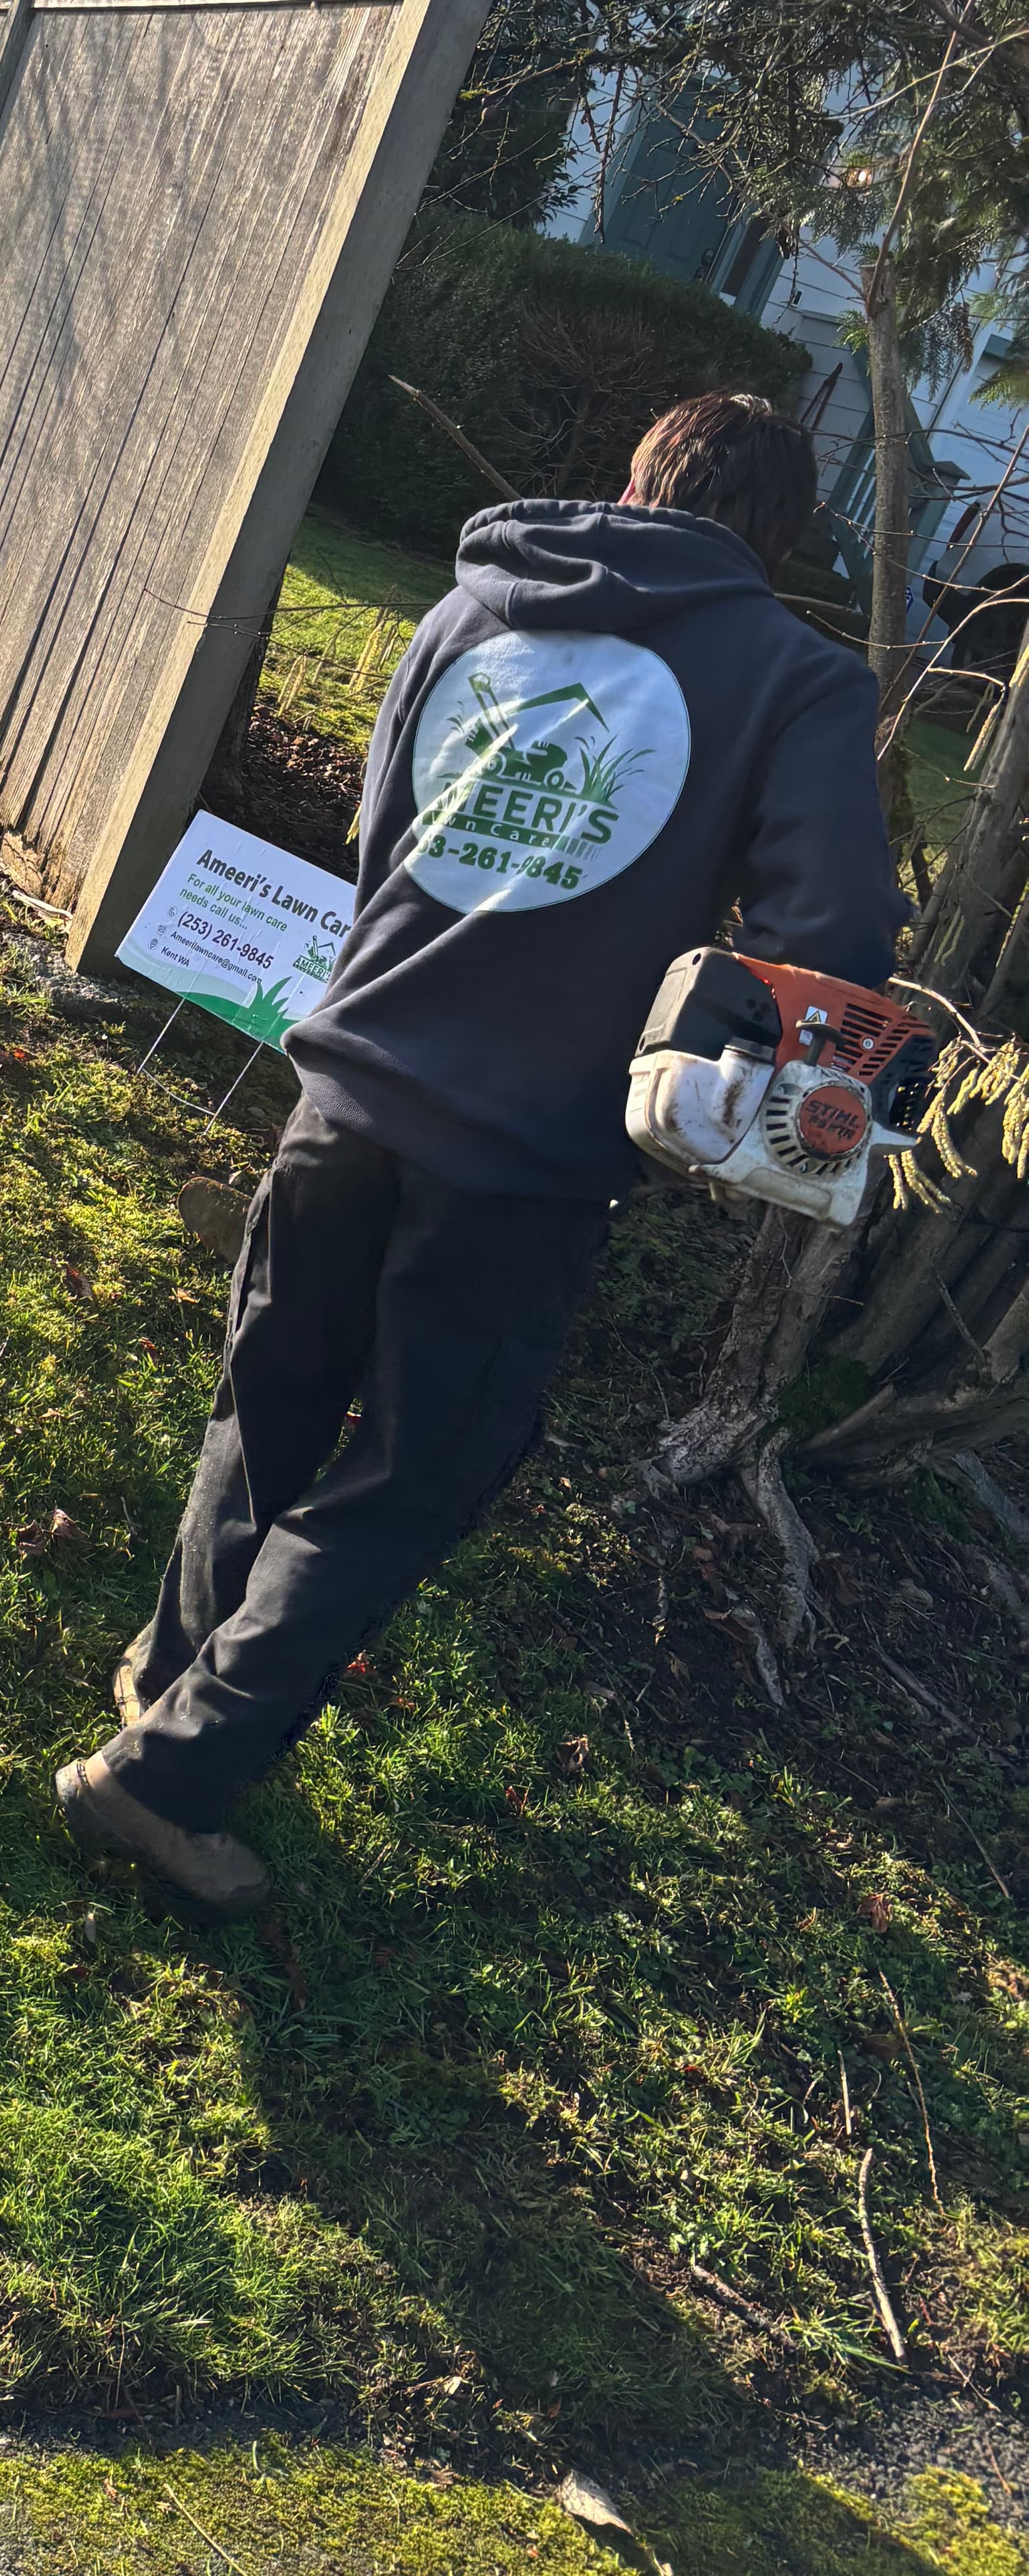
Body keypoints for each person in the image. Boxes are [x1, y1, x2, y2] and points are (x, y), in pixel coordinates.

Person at [56, 394, 904, 1918]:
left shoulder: (468, 609)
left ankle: (172, 1675)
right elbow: (830, 939)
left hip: (346, 1081)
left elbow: (392, 832)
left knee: (272, 1397)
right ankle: (169, 1778)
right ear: (778, 538)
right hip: (521, 1155)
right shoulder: (793, 678)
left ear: (636, 480)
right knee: (417, 1468)